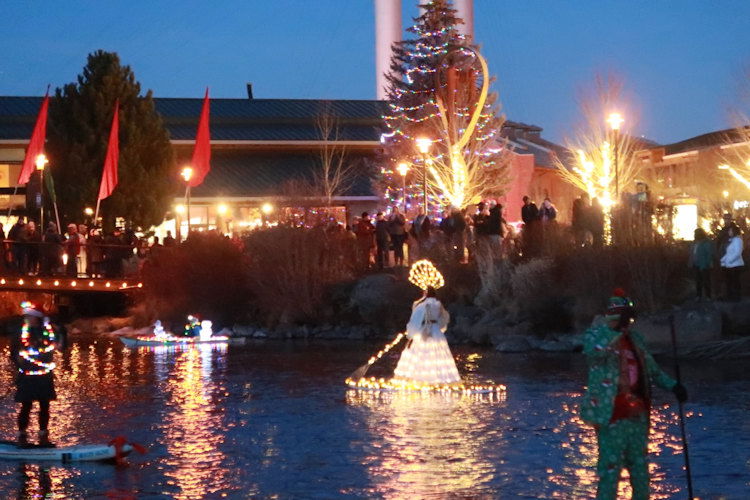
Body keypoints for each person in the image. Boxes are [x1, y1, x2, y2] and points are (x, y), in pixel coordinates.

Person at [581, 290, 687, 500]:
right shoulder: (596, 335)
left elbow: (653, 371)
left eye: (629, 317)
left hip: (637, 416)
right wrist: (618, 333)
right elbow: (594, 353)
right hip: (610, 416)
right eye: (624, 317)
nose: (628, 322)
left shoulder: (637, 340)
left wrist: (674, 386)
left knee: (640, 472)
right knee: (610, 472)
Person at [11, 302, 62, 446]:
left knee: (44, 405)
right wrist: (20, 365)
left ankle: (43, 433)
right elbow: (14, 352)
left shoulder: (47, 331)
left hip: (44, 376)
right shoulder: (21, 332)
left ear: (36, 318)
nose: (27, 319)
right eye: (26, 316)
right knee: (26, 405)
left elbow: (58, 342)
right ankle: (22, 435)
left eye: (30, 317)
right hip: (27, 375)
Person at [393, 286, 460, 385]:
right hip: (436, 330)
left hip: (423, 330)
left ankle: (419, 377)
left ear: (426, 293)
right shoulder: (438, 304)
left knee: (420, 352)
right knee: (437, 354)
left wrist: (411, 333)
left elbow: (415, 320)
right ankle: (440, 378)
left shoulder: (422, 305)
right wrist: (439, 327)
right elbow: (444, 318)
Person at [719, 223, 744, 302]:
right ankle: (730, 296)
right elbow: (729, 253)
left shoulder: (738, 240)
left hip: (735, 265)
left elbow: (737, 253)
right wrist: (723, 259)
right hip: (730, 265)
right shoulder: (732, 241)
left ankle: (736, 297)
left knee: (735, 282)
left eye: (730, 230)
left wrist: (729, 260)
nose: (728, 232)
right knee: (729, 281)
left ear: (734, 231)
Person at [689, 228, 714, 300]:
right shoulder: (695, 242)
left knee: (706, 281)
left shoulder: (706, 242)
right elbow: (692, 253)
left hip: (704, 265)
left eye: (695, 233)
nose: (694, 235)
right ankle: (698, 295)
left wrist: (708, 263)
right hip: (696, 264)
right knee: (698, 281)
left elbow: (709, 254)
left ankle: (708, 296)